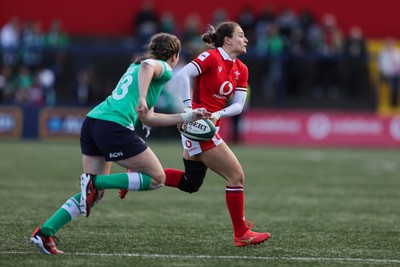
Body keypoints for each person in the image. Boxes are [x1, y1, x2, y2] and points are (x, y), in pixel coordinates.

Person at [30, 32, 209, 255]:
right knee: (157, 178)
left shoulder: (136, 68)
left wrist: (186, 117)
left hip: (94, 123)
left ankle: (45, 232)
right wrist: (142, 98)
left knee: (93, 194)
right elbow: (148, 66)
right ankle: (97, 182)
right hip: (112, 126)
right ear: (175, 55)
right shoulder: (162, 67)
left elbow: (149, 118)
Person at [121, 21, 270, 247]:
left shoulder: (241, 68)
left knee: (191, 183)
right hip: (197, 129)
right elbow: (182, 76)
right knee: (236, 175)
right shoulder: (212, 57)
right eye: (241, 35)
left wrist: (217, 113)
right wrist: (189, 110)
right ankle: (241, 234)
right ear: (228, 40)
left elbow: (239, 105)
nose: (246, 39)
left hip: (208, 126)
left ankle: (136, 174)